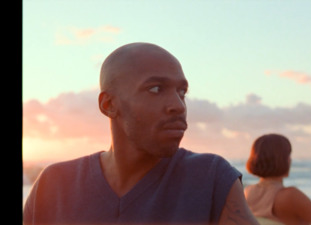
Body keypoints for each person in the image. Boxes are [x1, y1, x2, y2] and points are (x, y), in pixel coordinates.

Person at [23, 42, 260, 225]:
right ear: (109, 104)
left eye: (182, 91)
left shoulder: (210, 178)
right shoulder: (54, 185)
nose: (178, 105)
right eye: (156, 89)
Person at [244, 134, 311, 225]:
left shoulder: (246, 193)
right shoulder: (289, 196)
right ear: (284, 159)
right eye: (288, 155)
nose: (290, 159)